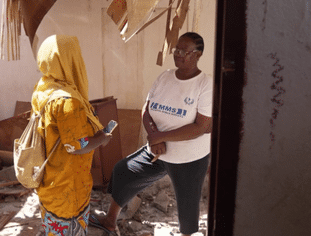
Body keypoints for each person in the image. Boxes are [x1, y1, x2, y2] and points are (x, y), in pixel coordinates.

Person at [88, 32, 213, 236]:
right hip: (158, 150)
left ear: (198, 55)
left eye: (185, 51)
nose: (178, 54)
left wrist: (160, 137)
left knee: (187, 204)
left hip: (189, 157)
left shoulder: (204, 84)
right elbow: (146, 108)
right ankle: (110, 221)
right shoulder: (165, 76)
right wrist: (154, 136)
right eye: (177, 50)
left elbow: (200, 127)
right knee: (123, 171)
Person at [32, 35, 113, 236]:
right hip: (69, 187)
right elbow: (76, 146)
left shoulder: (44, 88)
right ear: (71, 59)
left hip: (50, 180)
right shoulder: (68, 102)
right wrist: (101, 139)